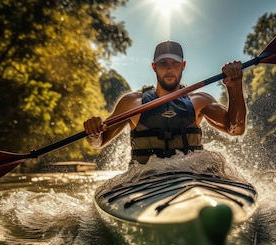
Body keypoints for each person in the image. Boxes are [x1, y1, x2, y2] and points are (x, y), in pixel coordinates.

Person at [83, 40, 246, 164]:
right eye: (163, 63)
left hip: (191, 174)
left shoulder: (200, 101)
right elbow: (99, 142)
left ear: (183, 65)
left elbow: (235, 129)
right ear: (154, 66)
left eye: (174, 63)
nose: (169, 68)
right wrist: (94, 133)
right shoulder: (132, 102)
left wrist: (235, 85)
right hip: (145, 179)